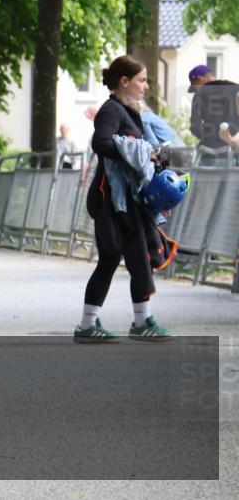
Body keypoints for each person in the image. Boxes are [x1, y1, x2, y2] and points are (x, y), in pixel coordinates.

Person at [75, 55, 172, 343]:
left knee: (118, 258)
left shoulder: (130, 112)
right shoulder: (112, 110)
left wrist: (150, 157)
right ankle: (137, 322)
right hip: (112, 200)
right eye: (142, 80)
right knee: (129, 256)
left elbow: (136, 149)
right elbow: (101, 143)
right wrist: (134, 149)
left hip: (127, 200)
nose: (146, 86)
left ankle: (91, 324)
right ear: (124, 81)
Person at [188, 64, 239, 151]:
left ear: (200, 79)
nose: (196, 90)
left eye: (195, 86)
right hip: (234, 148)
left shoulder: (199, 94)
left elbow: (195, 125)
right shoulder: (236, 89)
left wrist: (205, 137)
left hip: (209, 149)